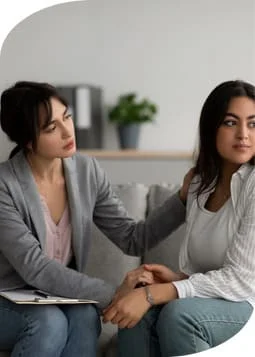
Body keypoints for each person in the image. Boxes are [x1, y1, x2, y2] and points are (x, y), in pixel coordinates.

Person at [0, 80, 190, 357]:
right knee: (48, 323)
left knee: (85, 316)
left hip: (52, 297)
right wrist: (117, 293)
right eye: (52, 127)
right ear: (28, 140)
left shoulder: (86, 171)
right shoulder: (5, 185)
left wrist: (183, 198)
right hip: (7, 297)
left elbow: (132, 238)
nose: (68, 131)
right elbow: (36, 269)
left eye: (67, 117)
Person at [103, 79, 255, 356]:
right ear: (212, 129)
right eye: (231, 122)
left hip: (249, 302)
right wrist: (170, 278)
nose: (243, 134)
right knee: (136, 320)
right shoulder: (199, 183)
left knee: (179, 315)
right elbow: (203, 269)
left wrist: (158, 293)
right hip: (213, 300)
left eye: (253, 123)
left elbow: (241, 280)